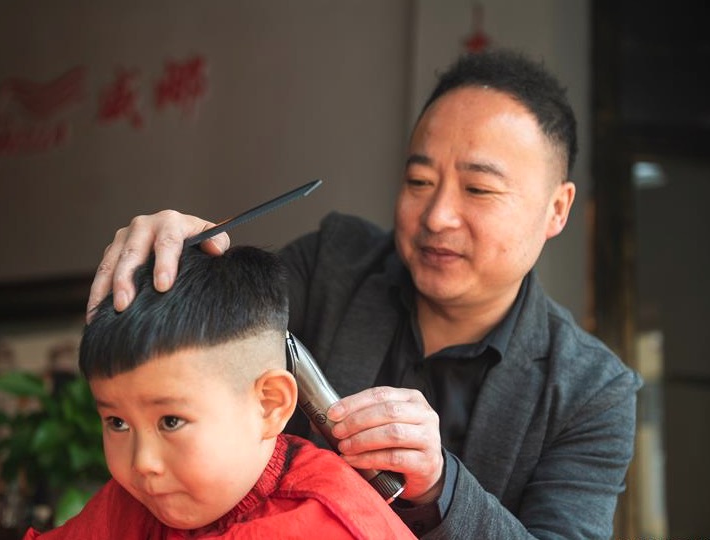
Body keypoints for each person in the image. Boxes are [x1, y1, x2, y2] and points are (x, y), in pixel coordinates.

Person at [87, 49, 642, 539]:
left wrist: (442, 488)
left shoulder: (593, 391)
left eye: (478, 189)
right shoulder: (334, 261)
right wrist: (174, 268)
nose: (438, 215)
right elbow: (199, 350)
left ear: (557, 209)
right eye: (419, 182)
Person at [26, 247, 416, 539]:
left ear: (269, 405)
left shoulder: (322, 525)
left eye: (171, 421)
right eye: (116, 422)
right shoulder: (131, 503)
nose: (143, 463)